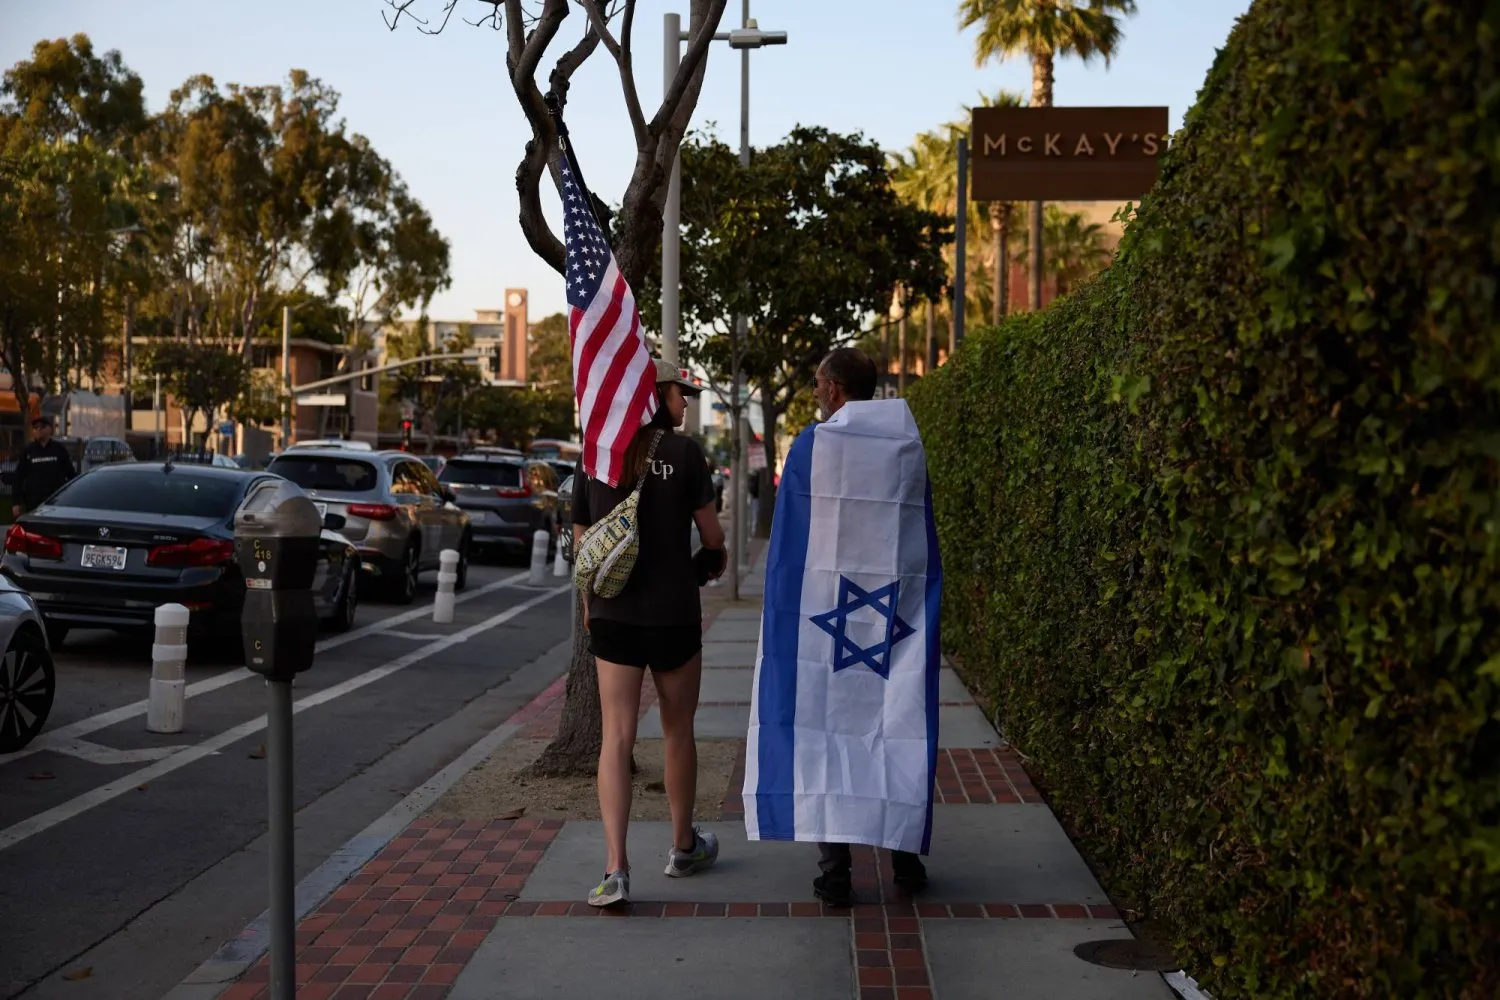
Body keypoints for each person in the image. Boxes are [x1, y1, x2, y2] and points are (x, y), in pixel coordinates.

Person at [743, 346, 942, 909]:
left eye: (815, 382)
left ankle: (835, 873)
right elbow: (914, 535)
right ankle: (904, 857)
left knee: (823, 733)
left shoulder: (815, 445)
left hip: (825, 619)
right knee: (893, 724)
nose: (812, 393)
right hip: (890, 619)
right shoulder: (906, 445)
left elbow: (792, 541)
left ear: (833, 388)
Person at [572, 357, 728, 907]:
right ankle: (683, 847)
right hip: (673, 614)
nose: (685, 402)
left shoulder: (597, 452)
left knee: (616, 736)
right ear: (657, 394)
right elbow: (711, 535)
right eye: (680, 393)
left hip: (613, 614)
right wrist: (712, 560)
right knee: (677, 731)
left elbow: (582, 540)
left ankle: (616, 868)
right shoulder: (686, 455)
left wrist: (591, 598)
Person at [11, 415, 76, 517]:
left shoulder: (59, 449)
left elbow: (71, 475)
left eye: (42, 427)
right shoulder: (28, 450)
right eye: (35, 428)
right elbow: (18, 477)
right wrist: (16, 502)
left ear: (50, 429)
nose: (38, 430)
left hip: (55, 501)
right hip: (33, 502)